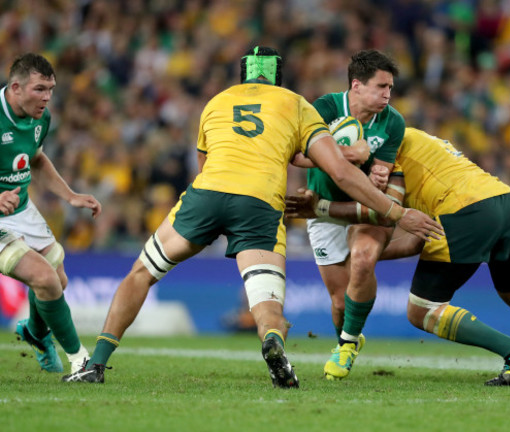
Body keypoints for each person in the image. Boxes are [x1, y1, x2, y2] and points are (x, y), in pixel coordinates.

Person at [62, 46, 439, 387]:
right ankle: (273, 343)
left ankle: (95, 364)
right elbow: (339, 173)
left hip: (207, 195)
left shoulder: (216, 101)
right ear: (278, 77)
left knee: (141, 273)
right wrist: (396, 212)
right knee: (268, 305)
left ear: (244, 76)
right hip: (258, 203)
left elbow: (202, 164)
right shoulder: (296, 104)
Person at [286, 127, 510, 386]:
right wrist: (365, 257)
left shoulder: (384, 151)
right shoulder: (413, 138)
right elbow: (411, 244)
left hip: (464, 212)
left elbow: (384, 210)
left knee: (421, 310)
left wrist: (322, 207)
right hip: (503, 202)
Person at [295, 49, 407, 380]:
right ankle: (347, 337)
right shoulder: (324, 108)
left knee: (362, 261)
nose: (387, 94)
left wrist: (379, 175)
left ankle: (344, 348)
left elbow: (383, 170)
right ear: (357, 85)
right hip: (323, 208)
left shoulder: (393, 122)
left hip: (362, 209)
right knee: (340, 302)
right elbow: (297, 155)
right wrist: (346, 154)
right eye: (381, 86)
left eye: (390, 88)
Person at [0, 53, 102, 373]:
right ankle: (80, 361)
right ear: (15, 87)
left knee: (58, 278)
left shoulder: (41, 117)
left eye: (51, 89)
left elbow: (37, 159)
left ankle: (35, 333)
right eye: (39, 89)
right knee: (44, 278)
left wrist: (70, 196)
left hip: (20, 207)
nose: (46, 97)